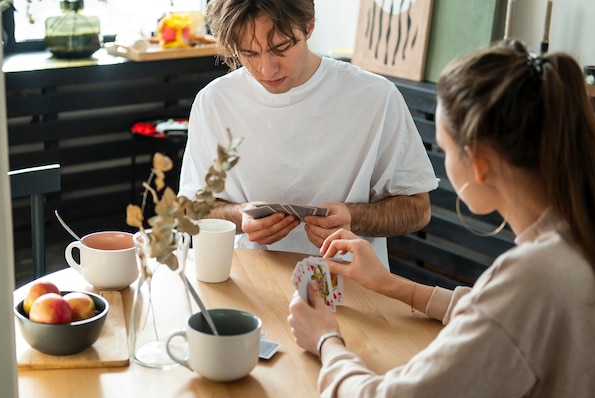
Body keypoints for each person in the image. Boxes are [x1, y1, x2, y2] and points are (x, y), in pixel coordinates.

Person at [288, 40, 595, 398]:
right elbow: (502, 318)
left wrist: (326, 340)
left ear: (479, 162)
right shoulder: (579, 237)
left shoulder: (536, 276)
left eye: (444, 149)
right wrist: (393, 286)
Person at [178, 0, 438, 266]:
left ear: (309, 27)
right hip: (249, 278)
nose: (267, 69)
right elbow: (191, 208)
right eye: (249, 53)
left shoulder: (375, 97)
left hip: (350, 281)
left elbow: (418, 209)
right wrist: (237, 216)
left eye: (281, 48)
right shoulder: (214, 101)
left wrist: (353, 216)